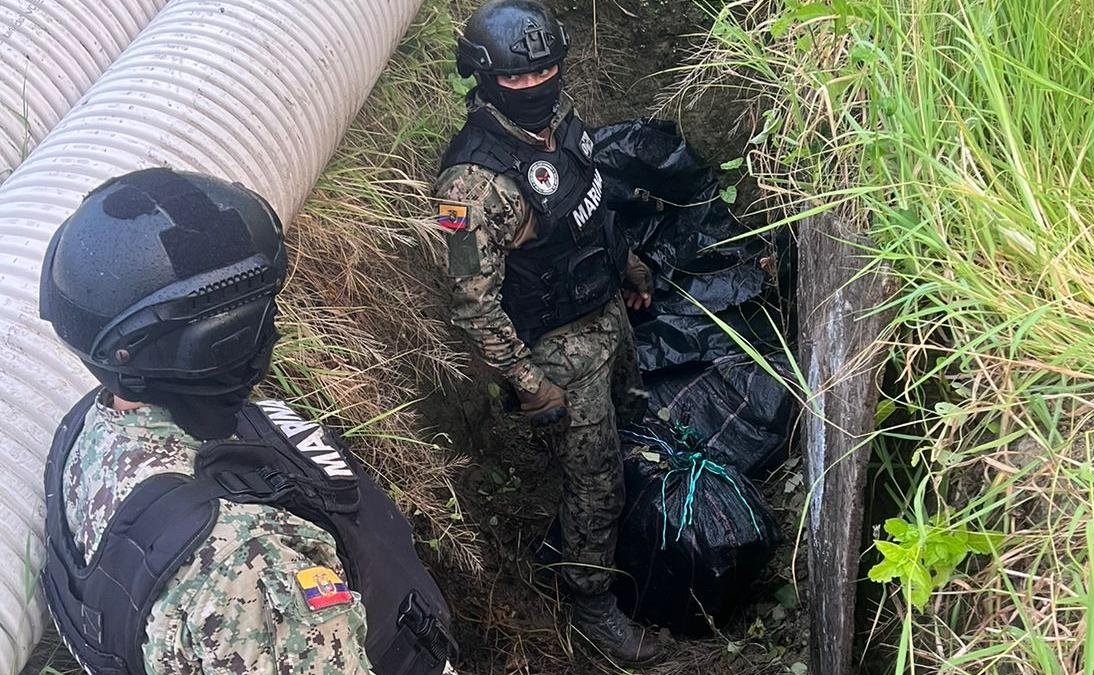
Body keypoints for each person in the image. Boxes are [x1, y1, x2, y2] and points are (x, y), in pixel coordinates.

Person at [38, 168, 457, 675]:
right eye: (261, 312)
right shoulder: (249, 568)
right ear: (220, 343)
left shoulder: (89, 428)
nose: (273, 327)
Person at [435, 0, 661, 665]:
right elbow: (473, 303)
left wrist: (628, 267)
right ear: (484, 78)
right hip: (556, 351)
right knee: (595, 485)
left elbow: (590, 207)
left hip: (606, 312)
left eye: (545, 71)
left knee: (631, 422)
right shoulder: (470, 187)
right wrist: (530, 384)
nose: (535, 87)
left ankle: (614, 536)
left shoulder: (561, 120)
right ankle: (591, 603)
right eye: (517, 78)